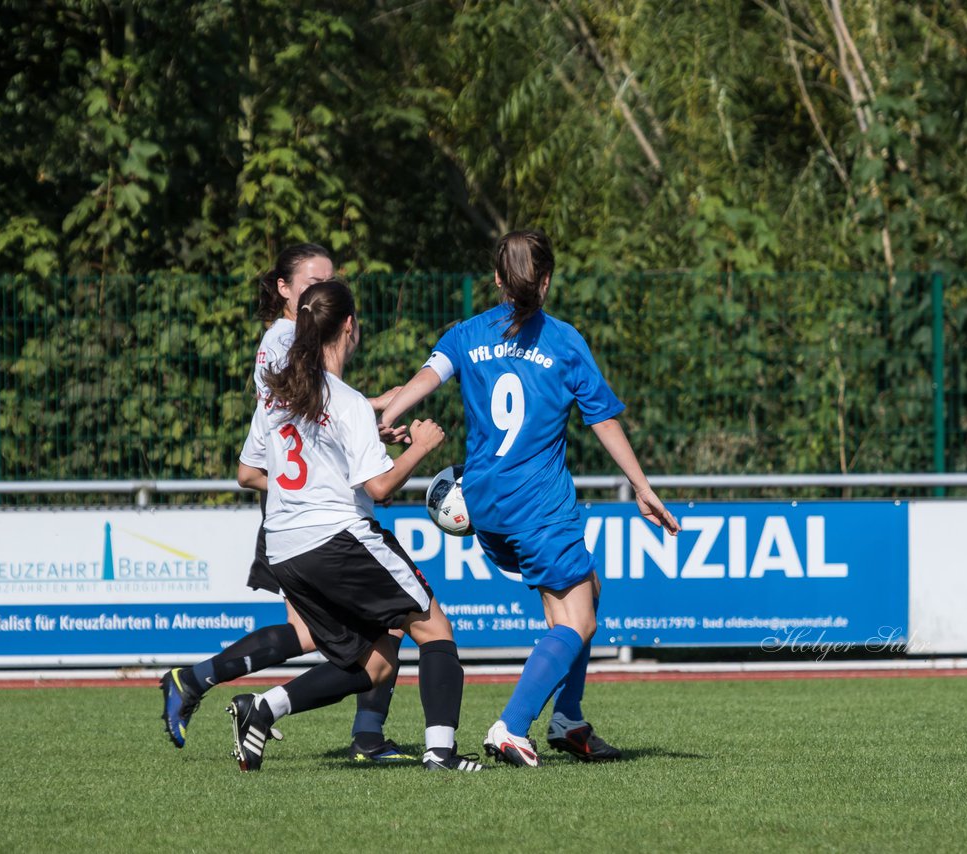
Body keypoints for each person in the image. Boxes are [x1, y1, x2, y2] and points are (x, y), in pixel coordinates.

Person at [381, 229, 680, 767]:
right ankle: (511, 726)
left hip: (486, 507)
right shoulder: (564, 342)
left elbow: (422, 382)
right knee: (576, 623)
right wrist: (642, 484)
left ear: (497, 279)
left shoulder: (467, 333)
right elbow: (603, 421)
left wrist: (389, 417)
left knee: (587, 586)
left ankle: (568, 719)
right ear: (546, 281)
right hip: (539, 506)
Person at [160, 244, 410, 762]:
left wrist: (367, 417)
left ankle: (197, 679)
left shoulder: (285, 339)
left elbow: (308, 411)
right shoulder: (284, 337)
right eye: (312, 281)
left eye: (330, 279)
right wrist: (369, 410)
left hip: (301, 506)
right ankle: (364, 736)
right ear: (283, 288)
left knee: (323, 631)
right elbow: (304, 402)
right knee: (376, 623)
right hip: (309, 511)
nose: (323, 288)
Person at [227, 278, 481, 773]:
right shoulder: (345, 400)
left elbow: (248, 474)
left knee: (376, 661)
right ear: (349, 326)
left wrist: (322, 481)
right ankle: (442, 754)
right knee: (436, 630)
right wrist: (421, 447)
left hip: (285, 550)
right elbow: (381, 489)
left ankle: (262, 708)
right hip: (338, 540)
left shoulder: (278, 396)